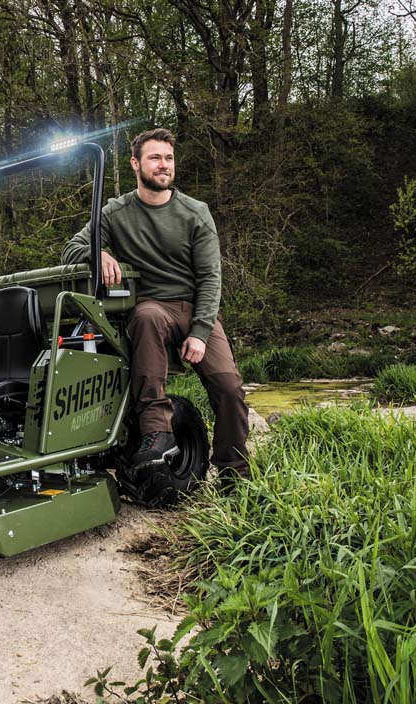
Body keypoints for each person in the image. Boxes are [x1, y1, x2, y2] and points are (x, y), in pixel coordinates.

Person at [62, 128, 249, 478]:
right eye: (155, 158)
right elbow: (71, 247)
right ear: (135, 164)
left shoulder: (195, 212)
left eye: (169, 158)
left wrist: (200, 332)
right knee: (146, 316)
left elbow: (211, 278)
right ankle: (157, 434)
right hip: (152, 308)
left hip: (195, 309)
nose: (164, 165)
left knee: (230, 389)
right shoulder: (115, 211)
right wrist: (98, 253)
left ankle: (234, 474)